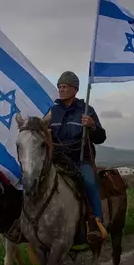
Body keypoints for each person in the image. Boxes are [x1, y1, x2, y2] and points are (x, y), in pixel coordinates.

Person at [45, 71, 107, 244]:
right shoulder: (52, 110)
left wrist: (93, 126)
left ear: (75, 89)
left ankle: (96, 222)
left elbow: (101, 138)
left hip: (80, 160)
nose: (61, 90)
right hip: (57, 160)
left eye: (65, 87)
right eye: (59, 87)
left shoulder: (87, 110)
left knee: (90, 182)